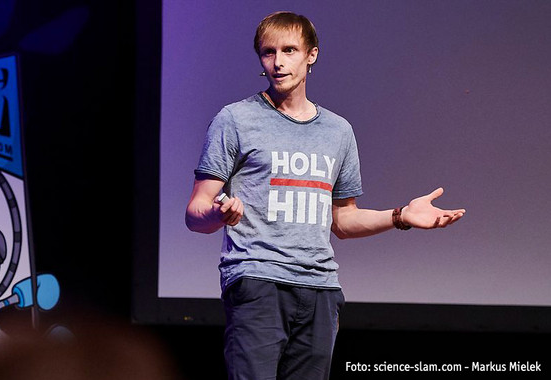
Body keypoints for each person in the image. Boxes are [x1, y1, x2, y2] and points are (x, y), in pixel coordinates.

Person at [185, 11, 465, 380]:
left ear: (311, 55)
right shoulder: (236, 119)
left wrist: (400, 216)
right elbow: (196, 211)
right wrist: (218, 214)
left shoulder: (338, 131)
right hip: (258, 280)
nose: (278, 62)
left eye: (289, 50)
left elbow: (343, 221)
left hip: (320, 288)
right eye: (268, 52)